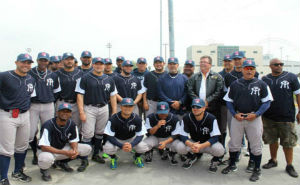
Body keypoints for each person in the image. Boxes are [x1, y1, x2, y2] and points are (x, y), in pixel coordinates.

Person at [222, 59, 273, 182]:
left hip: (253, 117)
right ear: (242, 69)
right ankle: (232, 164)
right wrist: (234, 114)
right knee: (234, 143)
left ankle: (256, 169)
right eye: (247, 68)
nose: (249, 70)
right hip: (238, 117)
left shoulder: (261, 84)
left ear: (254, 70)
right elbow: (228, 101)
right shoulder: (235, 84)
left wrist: (257, 114)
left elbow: (267, 101)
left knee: (255, 145)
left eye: (251, 68)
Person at [0, 53, 36, 185]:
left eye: (28, 63)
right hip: (7, 114)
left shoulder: (31, 79)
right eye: (23, 62)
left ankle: (17, 172)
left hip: (24, 114)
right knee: (6, 148)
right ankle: (3, 177)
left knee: (22, 146)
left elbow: (29, 97)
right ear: (16, 62)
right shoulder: (4, 76)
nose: (26, 65)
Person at [261, 58, 300, 178]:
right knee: (272, 140)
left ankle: (289, 165)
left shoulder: (291, 77)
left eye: (281, 64)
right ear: (270, 66)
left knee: (288, 143)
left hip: (286, 117)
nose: (279, 66)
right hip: (268, 117)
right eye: (276, 64)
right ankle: (273, 160)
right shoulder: (265, 79)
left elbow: (298, 94)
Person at [76, 57, 117, 164]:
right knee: (87, 134)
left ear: (104, 65)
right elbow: (80, 95)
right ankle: (84, 159)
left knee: (100, 132)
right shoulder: (85, 78)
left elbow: (113, 96)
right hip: (89, 108)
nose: (99, 66)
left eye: (101, 64)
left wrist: (114, 111)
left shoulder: (109, 79)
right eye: (96, 64)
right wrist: (81, 112)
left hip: (104, 108)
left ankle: (95, 154)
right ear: (93, 65)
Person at [38, 103, 92, 181]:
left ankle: (62, 162)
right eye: (62, 111)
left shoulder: (72, 124)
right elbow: (44, 147)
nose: (65, 113)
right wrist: (65, 153)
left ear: (70, 114)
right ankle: (44, 170)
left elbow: (73, 140)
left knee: (87, 148)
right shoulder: (48, 125)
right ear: (57, 113)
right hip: (47, 151)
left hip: (61, 149)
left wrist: (75, 150)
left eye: (67, 111)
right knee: (45, 158)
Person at [173, 98, 224, 173]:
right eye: (193, 107)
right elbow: (183, 135)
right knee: (179, 146)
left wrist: (201, 146)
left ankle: (215, 160)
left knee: (219, 150)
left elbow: (215, 137)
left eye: (198, 107)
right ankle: (192, 156)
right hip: (194, 143)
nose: (195, 109)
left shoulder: (211, 118)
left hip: (207, 144)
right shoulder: (187, 117)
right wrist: (191, 144)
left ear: (204, 108)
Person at [28, 52, 61, 165]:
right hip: (33, 105)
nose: (43, 62)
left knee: (47, 130)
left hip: (48, 105)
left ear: (48, 62)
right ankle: (35, 153)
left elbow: (57, 92)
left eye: (45, 60)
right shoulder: (30, 72)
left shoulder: (53, 75)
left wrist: (50, 99)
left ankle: (46, 154)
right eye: (41, 60)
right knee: (31, 132)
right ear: (37, 60)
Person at [103, 98, 148, 169]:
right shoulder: (113, 118)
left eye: (130, 106)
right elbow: (109, 136)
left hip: (131, 138)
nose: (128, 108)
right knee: (107, 148)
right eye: (125, 106)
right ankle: (113, 158)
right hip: (117, 139)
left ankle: (137, 157)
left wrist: (132, 144)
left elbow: (140, 134)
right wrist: (121, 146)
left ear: (133, 107)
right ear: (120, 107)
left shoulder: (137, 118)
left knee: (143, 147)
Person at [56, 52, 84, 130]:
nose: (69, 61)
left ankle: (74, 141)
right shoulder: (56, 74)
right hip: (62, 102)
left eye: (71, 59)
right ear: (62, 61)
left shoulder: (80, 73)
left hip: (75, 103)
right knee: (60, 125)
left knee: (76, 127)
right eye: (67, 59)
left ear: (74, 60)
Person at [218, 54, 234, 157]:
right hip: (222, 105)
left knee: (234, 129)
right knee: (222, 128)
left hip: (235, 105)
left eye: (229, 61)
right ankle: (222, 148)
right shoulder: (219, 74)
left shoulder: (236, 74)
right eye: (225, 61)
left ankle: (236, 150)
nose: (227, 63)